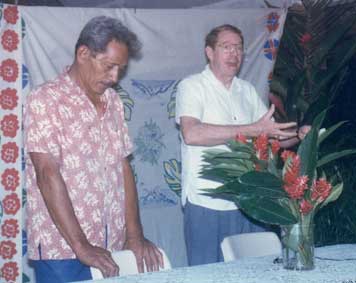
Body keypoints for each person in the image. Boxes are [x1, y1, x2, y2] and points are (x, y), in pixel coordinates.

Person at [24, 16, 163, 283]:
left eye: (120, 69)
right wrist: (81, 246)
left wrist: (133, 235)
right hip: (62, 250)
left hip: (111, 247)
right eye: (109, 66)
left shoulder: (113, 102)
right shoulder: (45, 99)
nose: (114, 77)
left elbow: (123, 167)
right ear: (83, 53)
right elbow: (46, 172)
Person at [175, 24, 309, 266]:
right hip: (207, 201)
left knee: (255, 271)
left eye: (238, 48)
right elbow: (192, 134)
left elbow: (269, 136)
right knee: (207, 276)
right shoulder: (192, 86)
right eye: (226, 47)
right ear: (209, 52)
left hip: (249, 201)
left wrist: (300, 135)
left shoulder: (246, 90)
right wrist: (252, 129)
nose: (234, 54)